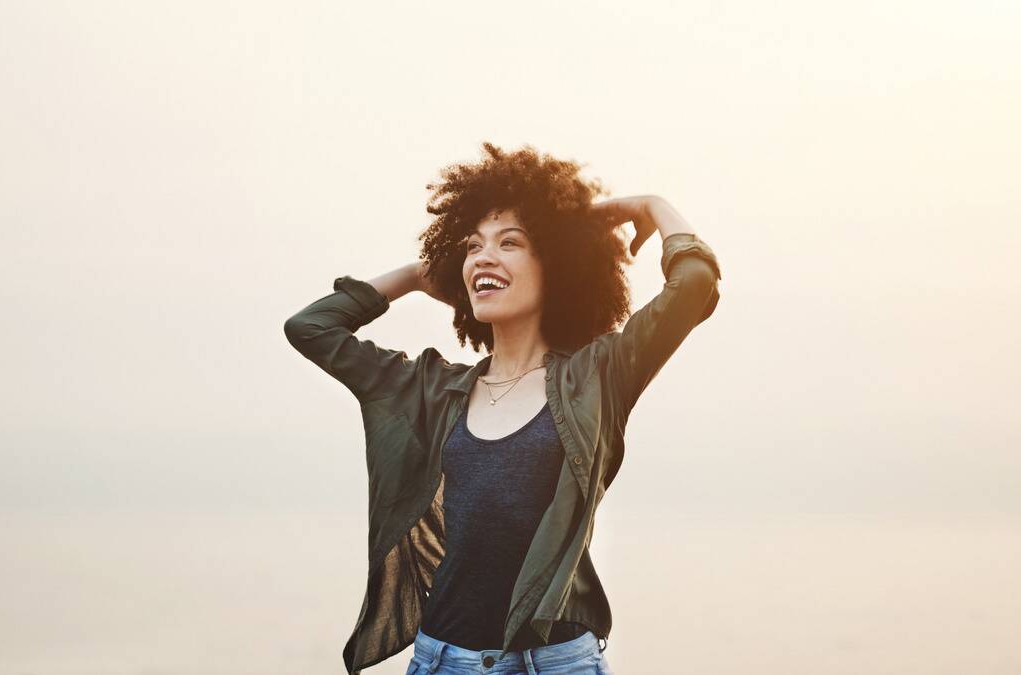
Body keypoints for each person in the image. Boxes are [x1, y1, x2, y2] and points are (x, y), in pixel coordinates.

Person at [284, 142, 722, 674]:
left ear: (556, 268)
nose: (483, 257)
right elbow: (311, 327)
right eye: (472, 247)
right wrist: (420, 275)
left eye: (509, 243)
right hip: (443, 659)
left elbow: (694, 284)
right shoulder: (429, 389)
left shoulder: (598, 377)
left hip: (556, 663)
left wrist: (651, 205)